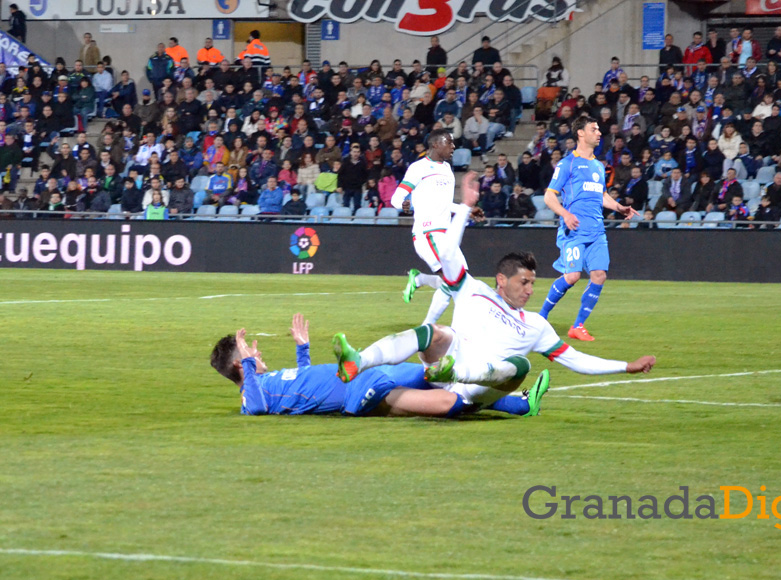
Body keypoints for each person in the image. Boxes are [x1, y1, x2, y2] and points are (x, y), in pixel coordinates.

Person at [335, 176, 655, 414]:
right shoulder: (473, 290)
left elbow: (576, 360)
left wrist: (626, 366)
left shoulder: (536, 325)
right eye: (524, 283)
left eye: (532, 283)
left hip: (469, 393)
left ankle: (475, 384)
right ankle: (358, 360)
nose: (530, 291)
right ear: (501, 280)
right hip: (439, 370)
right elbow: (447, 251)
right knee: (434, 332)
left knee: (521, 365)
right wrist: (465, 208)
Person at [212, 314, 504, 418]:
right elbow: (258, 409)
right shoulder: (252, 396)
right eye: (250, 351)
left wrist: (303, 349)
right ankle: (485, 403)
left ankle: (518, 402)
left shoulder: (269, 381)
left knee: (437, 376)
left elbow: (306, 382)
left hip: (360, 375)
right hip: (358, 392)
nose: (257, 351)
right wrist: (249, 364)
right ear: (239, 364)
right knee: (447, 401)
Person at [539, 115, 637, 341]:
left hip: (597, 231)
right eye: (594, 129)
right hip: (574, 230)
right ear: (581, 133)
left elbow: (601, 194)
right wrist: (565, 213)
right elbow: (548, 196)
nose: (599, 133)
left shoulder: (598, 166)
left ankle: (578, 326)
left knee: (599, 275)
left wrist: (618, 207)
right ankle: (541, 317)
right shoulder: (567, 164)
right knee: (572, 276)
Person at [397, 129, 471, 324]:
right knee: (456, 281)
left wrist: (466, 209)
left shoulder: (447, 169)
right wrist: (405, 204)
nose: (453, 146)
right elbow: (397, 198)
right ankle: (430, 329)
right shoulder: (418, 168)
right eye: (449, 142)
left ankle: (420, 280)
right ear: (436, 144)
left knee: (461, 280)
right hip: (428, 232)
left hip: (446, 234)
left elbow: (443, 204)